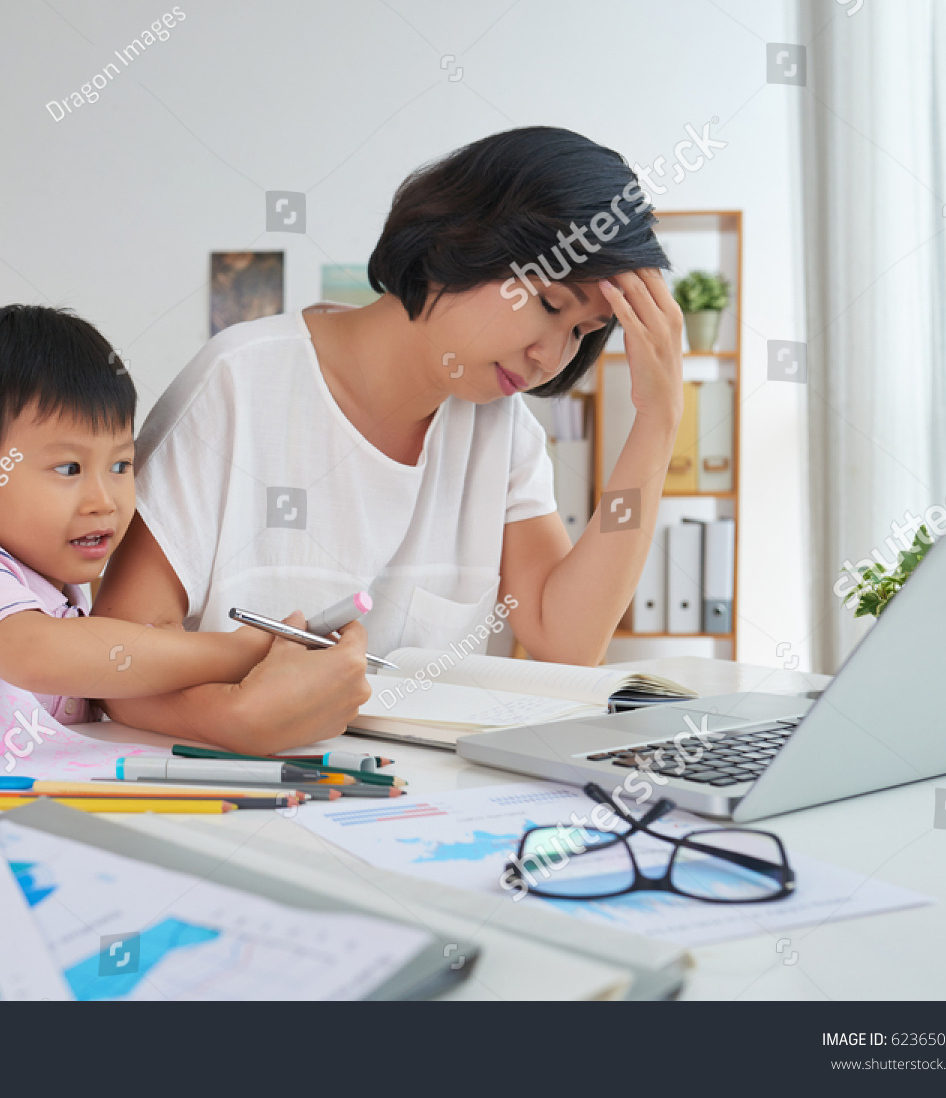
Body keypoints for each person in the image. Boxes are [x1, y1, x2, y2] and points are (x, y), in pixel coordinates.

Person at [94, 126, 683, 751]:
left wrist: (656, 423)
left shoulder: (500, 429)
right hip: (224, 794)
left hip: (407, 804)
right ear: (460, 242)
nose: (550, 355)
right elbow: (114, 656)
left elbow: (566, 645)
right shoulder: (241, 381)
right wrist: (231, 720)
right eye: (547, 303)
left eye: (585, 331)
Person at [0, 304, 296, 746]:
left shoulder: (59, 590)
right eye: (69, 469)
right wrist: (237, 653)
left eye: (120, 466)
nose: (104, 501)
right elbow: (40, 653)